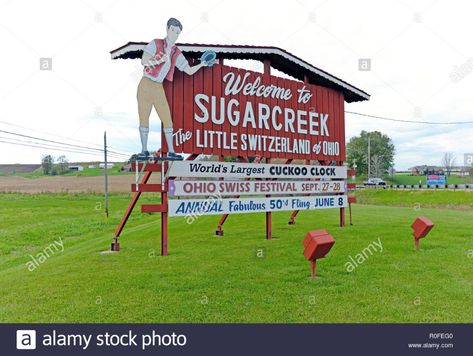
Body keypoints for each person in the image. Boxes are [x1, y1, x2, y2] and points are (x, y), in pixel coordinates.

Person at [137, 17, 215, 159]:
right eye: (173, 30)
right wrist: (159, 60)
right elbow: (143, 61)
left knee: (167, 119)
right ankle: (144, 150)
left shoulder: (176, 53)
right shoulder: (156, 43)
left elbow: (188, 70)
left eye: (178, 32)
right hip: (146, 84)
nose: (175, 34)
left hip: (158, 86)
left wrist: (202, 64)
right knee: (144, 118)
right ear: (167, 29)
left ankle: (172, 151)